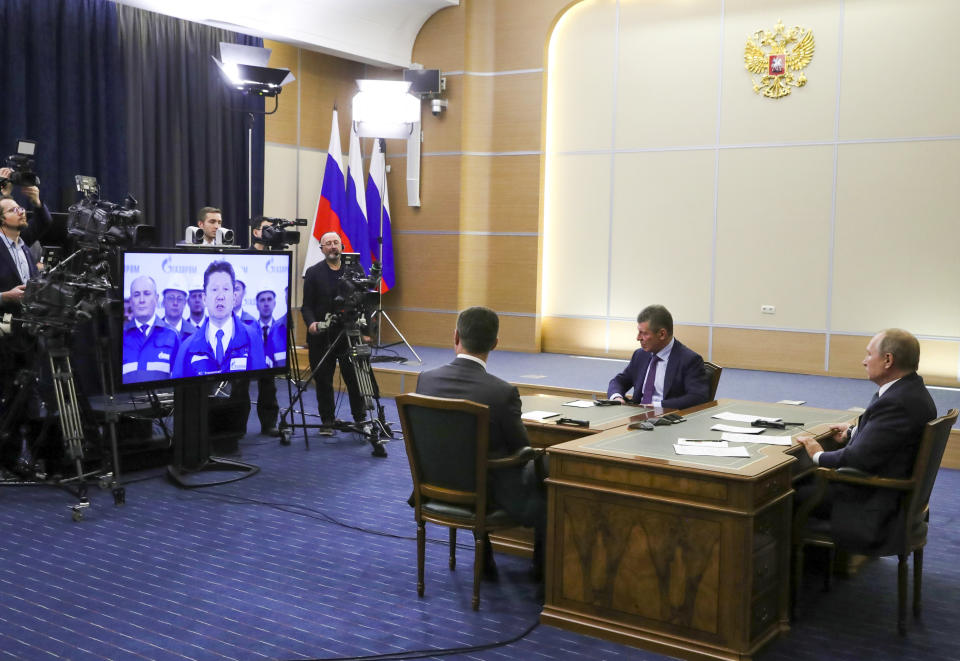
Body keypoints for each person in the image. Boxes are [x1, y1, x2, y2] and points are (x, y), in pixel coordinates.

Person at [416, 306, 546, 580]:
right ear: (495, 344)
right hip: (485, 492)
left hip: (434, 485)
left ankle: (484, 556)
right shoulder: (501, 392)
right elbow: (521, 449)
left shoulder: (425, 381)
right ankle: (543, 577)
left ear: (455, 337)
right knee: (550, 485)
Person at [797, 329, 937, 552]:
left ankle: (793, 576)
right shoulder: (910, 390)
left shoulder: (897, 402)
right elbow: (889, 440)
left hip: (874, 501)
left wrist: (817, 454)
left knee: (790, 491)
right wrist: (854, 432)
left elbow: (857, 460)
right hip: (892, 491)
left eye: (869, 354)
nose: (864, 361)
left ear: (888, 360)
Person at [0, 178, 52, 475]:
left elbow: (43, 222)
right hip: (3, 329)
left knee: (30, 395)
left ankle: (31, 457)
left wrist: (35, 200)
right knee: (7, 394)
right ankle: (6, 459)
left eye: (20, 208)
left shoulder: (24, 243)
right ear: (1, 220)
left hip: (28, 330)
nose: (20, 211)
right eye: (13, 208)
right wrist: (4, 296)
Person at [301, 231, 368, 426]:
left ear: (342, 247)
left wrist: (365, 332)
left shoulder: (356, 271)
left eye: (335, 243)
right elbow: (307, 306)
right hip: (321, 334)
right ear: (322, 249)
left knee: (354, 379)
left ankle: (360, 418)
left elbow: (363, 302)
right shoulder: (313, 272)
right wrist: (311, 323)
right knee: (323, 381)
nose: (332, 246)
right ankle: (328, 421)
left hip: (349, 333)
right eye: (328, 243)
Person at [172, 260, 266, 378]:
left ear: (234, 297)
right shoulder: (187, 347)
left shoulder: (252, 338)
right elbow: (180, 393)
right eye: (214, 289)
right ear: (204, 298)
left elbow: (264, 388)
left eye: (226, 289)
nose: (220, 297)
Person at [607, 304, 709, 409]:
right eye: (639, 332)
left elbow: (697, 397)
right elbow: (618, 381)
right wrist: (617, 397)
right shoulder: (640, 355)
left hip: (667, 419)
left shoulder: (689, 360)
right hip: (636, 416)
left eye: (644, 333)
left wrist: (658, 406)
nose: (638, 338)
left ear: (662, 334)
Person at [121, 275, 181, 384]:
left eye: (147, 294)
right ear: (131, 301)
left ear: (156, 298)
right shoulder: (121, 336)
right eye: (136, 294)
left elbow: (180, 380)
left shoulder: (172, 335)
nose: (141, 300)